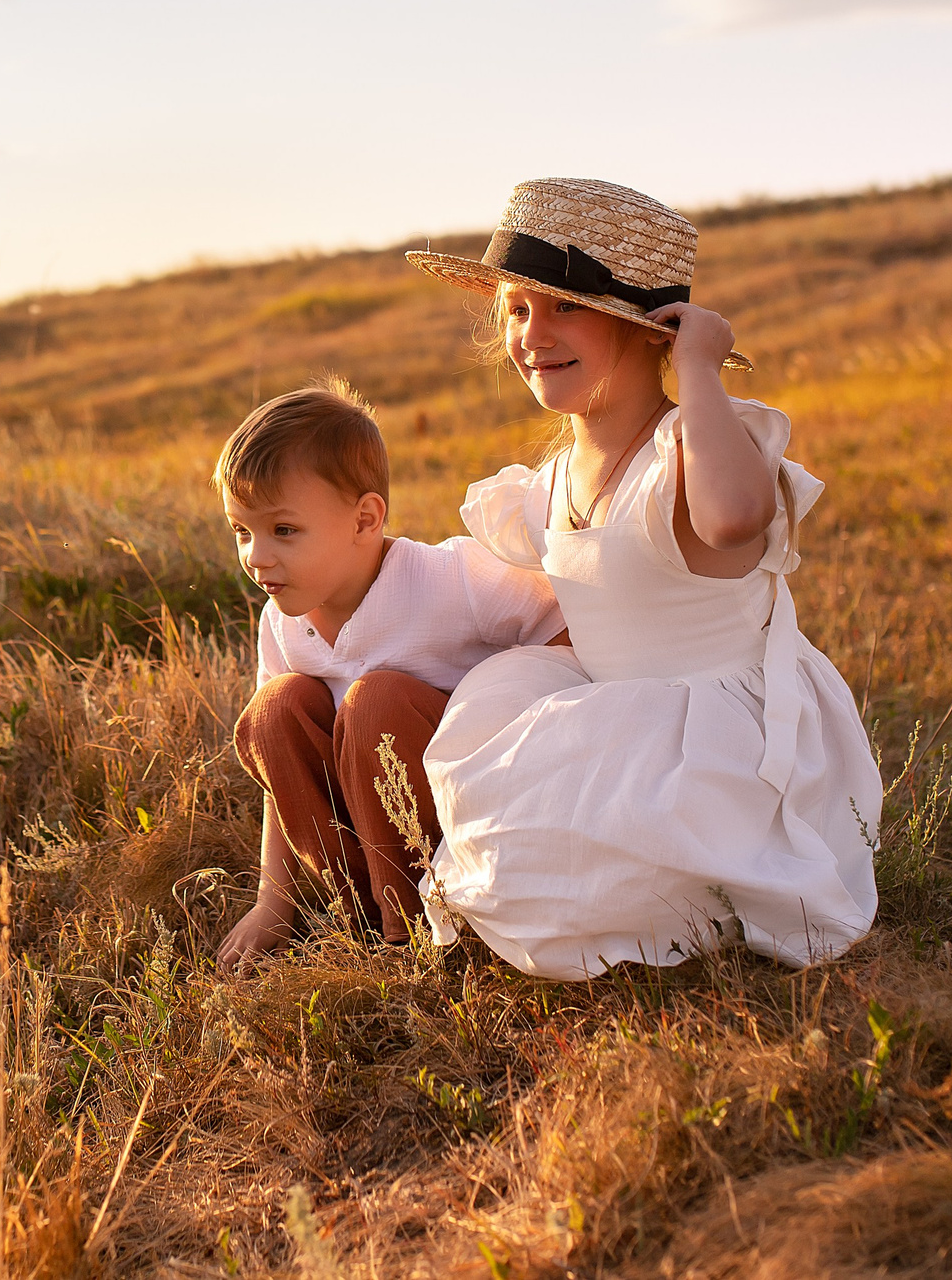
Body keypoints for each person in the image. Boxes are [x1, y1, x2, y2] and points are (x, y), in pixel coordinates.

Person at [404, 178, 882, 979]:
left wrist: (699, 369)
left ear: (645, 328)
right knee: (518, 818)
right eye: (517, 310)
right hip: (617, 709)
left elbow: (735, 518)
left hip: (723, 738)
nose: (533, 334)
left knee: (636, 872)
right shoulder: (548, 482)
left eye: (565, 308)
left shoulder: (686, 454)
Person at [213, 381, 566, 972]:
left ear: (365, 519)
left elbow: (564, 628)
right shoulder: (281, 624)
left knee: (375, 700)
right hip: (362, 824)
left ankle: (418, 927)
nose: (256, 556)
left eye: (284, 530)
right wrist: (271, 897)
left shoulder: (449, 578)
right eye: (242, 532)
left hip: (459, 809)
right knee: (275, 709)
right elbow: (283, 783)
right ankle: (352, 912)